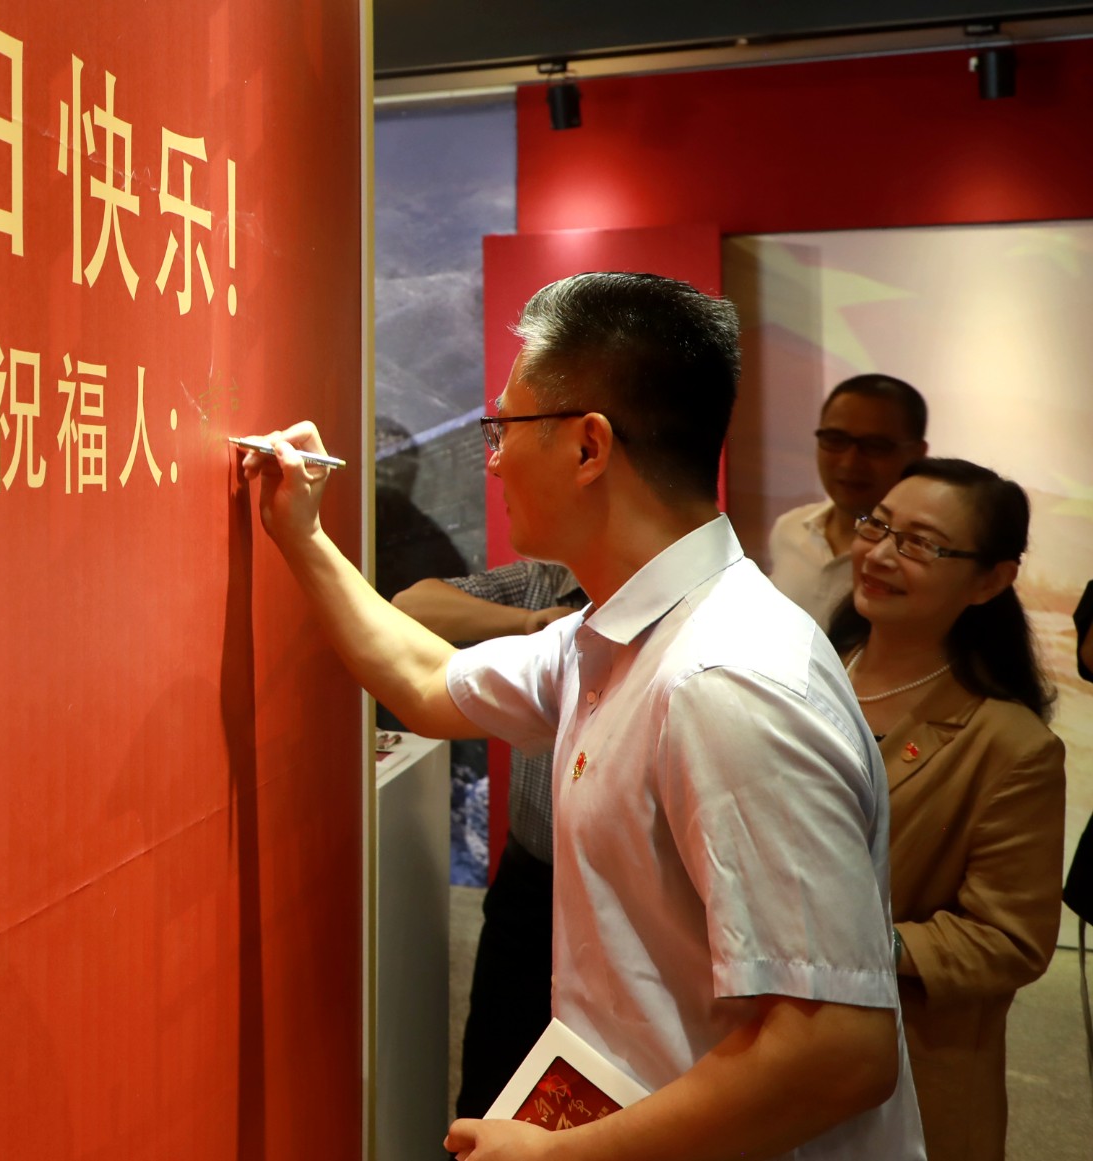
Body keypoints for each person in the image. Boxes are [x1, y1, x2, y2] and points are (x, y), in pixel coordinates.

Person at [241, 271, 922, 1160]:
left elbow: (837, 1051)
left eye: (504, 428)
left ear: (589, 446)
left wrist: (561, 1154)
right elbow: (427, 678)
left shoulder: (728, 678)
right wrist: (302, 533)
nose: (492, 460)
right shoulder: (616, 631)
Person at [826, 458, 1065, 1161]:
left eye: (921, 544)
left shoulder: (1010, 745)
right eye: (878, 526)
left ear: (990, 580)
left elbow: (1010, 939)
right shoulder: (806, 669)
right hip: (757, 1049)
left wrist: (849, 944)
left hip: (906, 1075)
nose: (881, 554)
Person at [392, 562, 587, 1119]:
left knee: (599, 1085)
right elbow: (411, 606)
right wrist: (527, 623)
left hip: (618, 898)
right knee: (493, 1081)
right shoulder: (543, 580)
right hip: (531, 881)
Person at [769, 375, 928, 628]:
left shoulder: (922, 556)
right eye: (835, 440)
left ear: (918, 454)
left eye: (875, 446)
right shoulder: (789, 529)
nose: (849, 462)